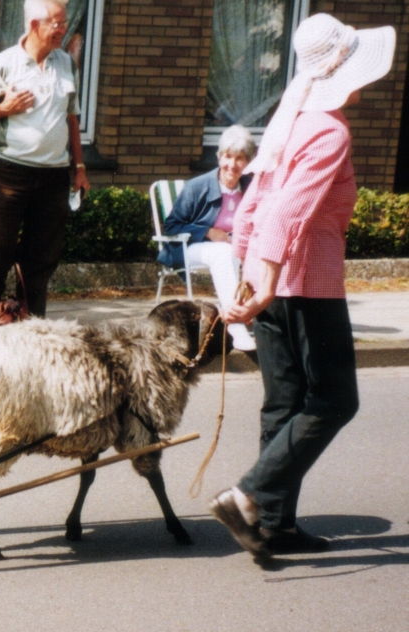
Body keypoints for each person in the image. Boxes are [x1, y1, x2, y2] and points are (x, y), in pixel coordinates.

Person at [209, 14, 396, 560]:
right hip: (306, 284)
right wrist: (265, 281)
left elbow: (255, 201)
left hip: (267, 277)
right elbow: (289, 209)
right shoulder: (330, 131)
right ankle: (248, 496)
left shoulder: (289, 120)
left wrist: (247, 273)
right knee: (335, 399)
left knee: (284, 403)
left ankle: (274, 527)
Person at [0, 0, 90, 330]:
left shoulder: (66, 63)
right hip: (11, 173)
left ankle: (31, 327)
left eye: (64, 22)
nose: (63, 29)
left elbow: (72, 118)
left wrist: (79, 168)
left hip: (54, 176)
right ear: (35, 25)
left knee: (41, 259)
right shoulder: (3, 64)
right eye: (56, 23)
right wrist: (3, 109)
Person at [158, 125, 257, 351]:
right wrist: (208, 232)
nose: (232, 164)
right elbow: (171, 226)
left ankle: (258, 319)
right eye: (228, 156)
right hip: (192, 247)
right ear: (219, 157)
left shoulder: (251, 187)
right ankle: (236, 326)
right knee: (224, 252)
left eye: (240, 158)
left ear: (248, 162)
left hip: (237, 250)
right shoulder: (197, 186)